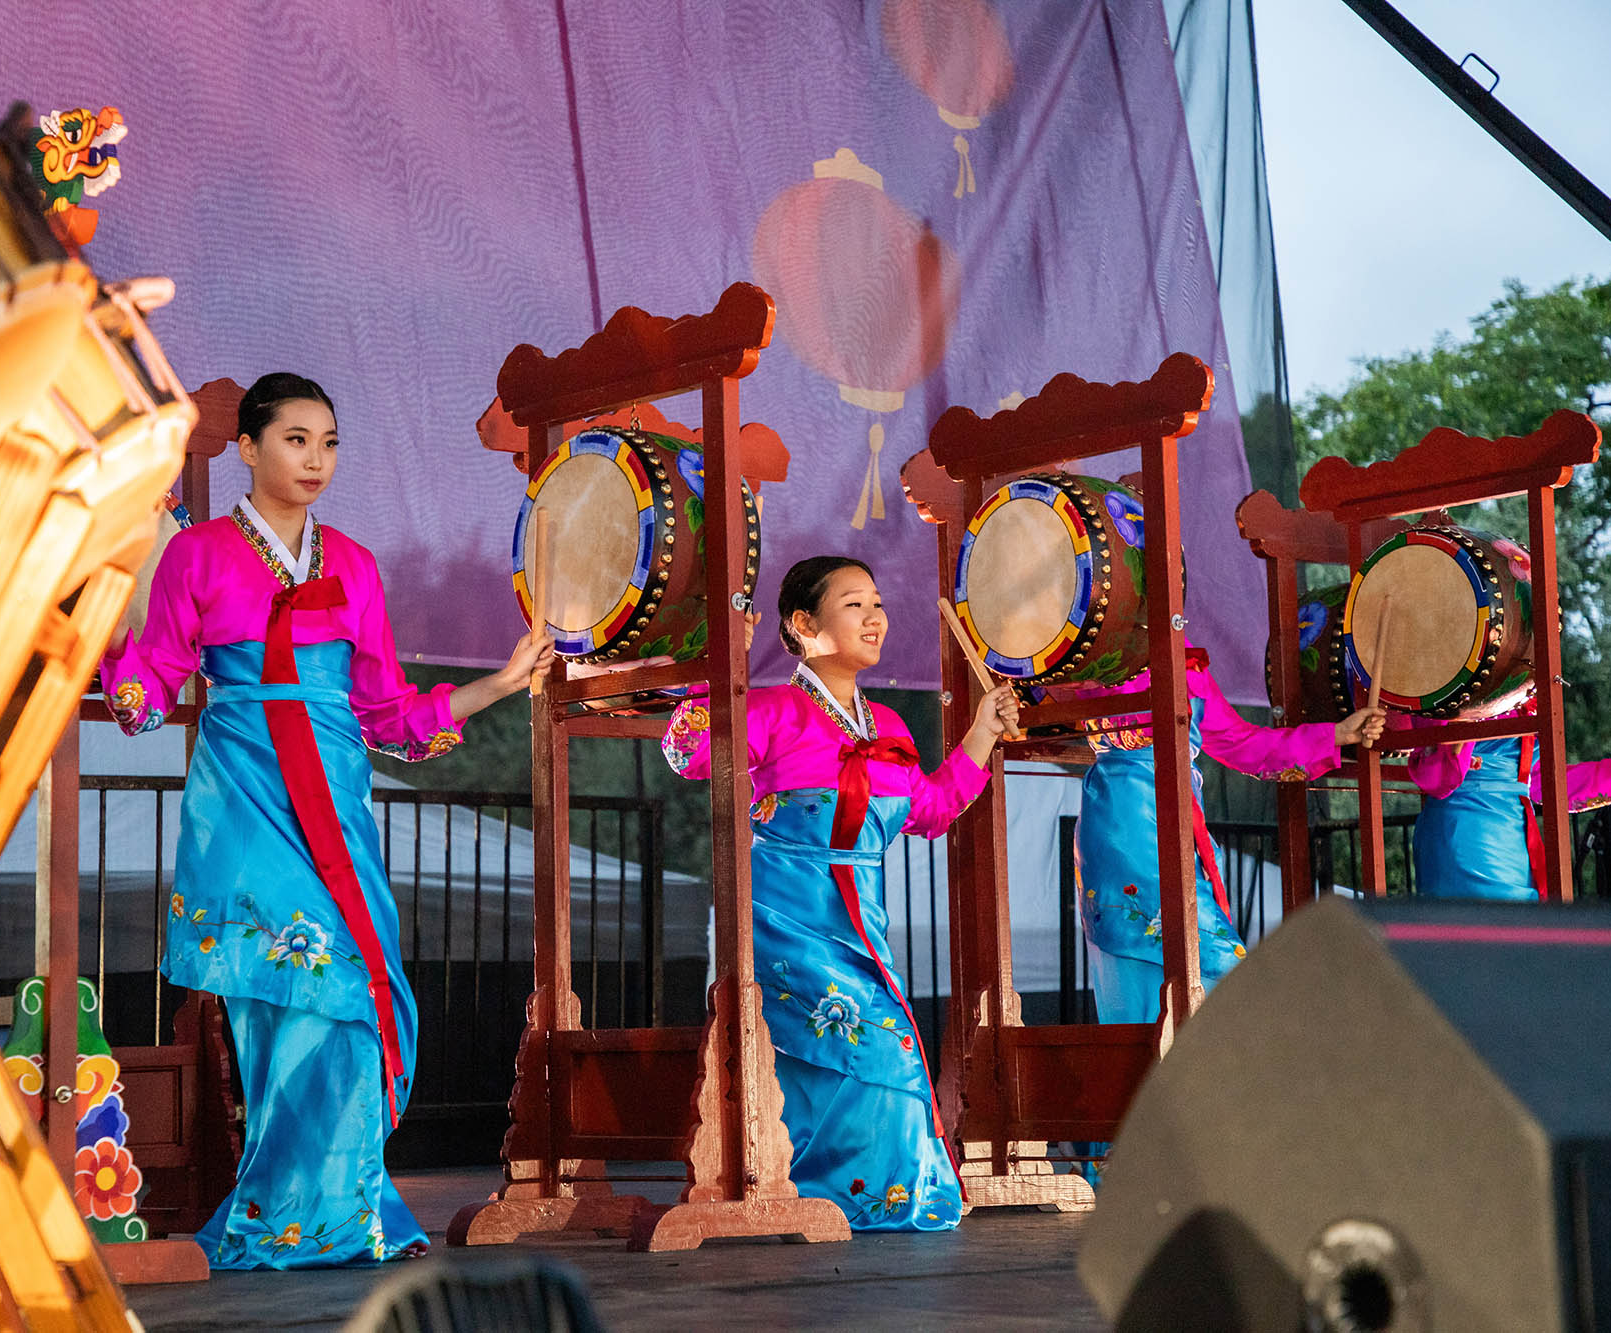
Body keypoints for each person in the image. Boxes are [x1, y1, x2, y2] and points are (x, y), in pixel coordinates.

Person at [99, 372, 551, 1268]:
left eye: (330, 442)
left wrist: (498, 685)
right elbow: (149, 689)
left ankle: (339, 1211)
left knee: (353, 1004)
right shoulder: (197, 555)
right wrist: (105, 635)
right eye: (296, 439)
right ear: (248, 447)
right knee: (291, 1000)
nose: (316, 459)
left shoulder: (353, 562)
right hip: (246, 802)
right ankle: (287, 1214)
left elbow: (387, 714)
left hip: (336, 807)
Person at [661, 556, 1019, 1232]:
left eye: (877, 603)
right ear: (803, 625)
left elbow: (932, 810)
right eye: (854, 604)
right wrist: (721, 666)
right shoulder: (772, 709)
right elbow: (688, 752)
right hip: (785, 921)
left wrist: (982, 731)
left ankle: (817, 1193)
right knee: (881, 1048)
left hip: (860, 928)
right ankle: (848, 1196)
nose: (875, 617)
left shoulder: (889, 725)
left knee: (842, 1063)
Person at [1047, 645, 1384, 1025]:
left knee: (1181, 964)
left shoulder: (1184, 665)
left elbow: (1243, 743)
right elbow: (1037, 683)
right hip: (1127, 821)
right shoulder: (1096, 651)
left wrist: (1335, 735)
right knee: (1190, 965)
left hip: (1165, 821)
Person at [1406, 701, 1611, 899]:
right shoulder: (1450, 675)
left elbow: (1548, 783)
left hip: (1511, 839)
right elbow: (1437, 776)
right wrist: (1474, 708)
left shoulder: (1527, 694)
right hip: (1464, 831)